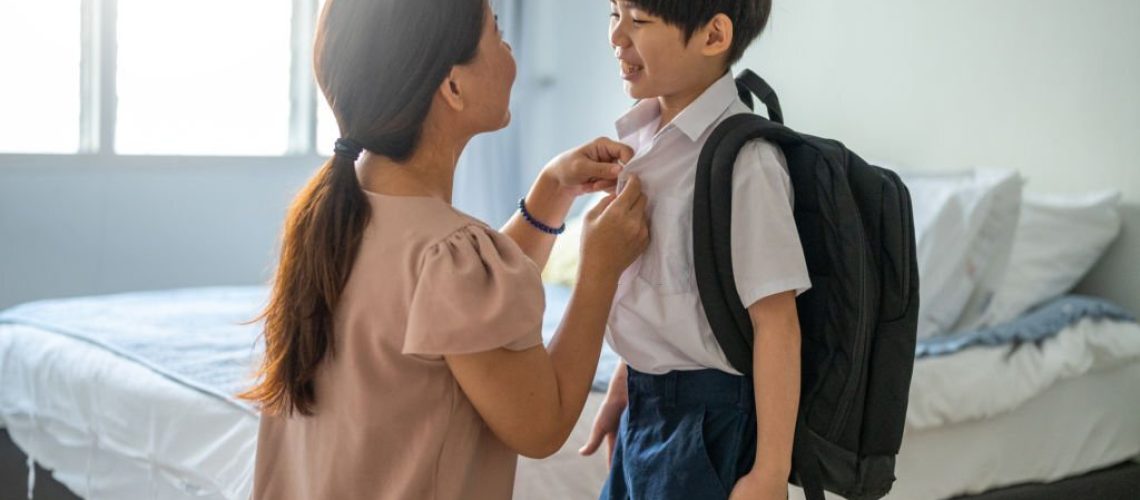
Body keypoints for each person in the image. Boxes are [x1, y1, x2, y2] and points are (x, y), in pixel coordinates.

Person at [241, 1, 650, 498]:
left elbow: (467, 307)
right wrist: (599, 270)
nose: (509, 49)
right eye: (496, 33)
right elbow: (543, 425)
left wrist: (551, 193)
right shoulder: (450, 256)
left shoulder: (337, 218)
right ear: (452, 87)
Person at [579, 1, 811, 499]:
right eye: (612, 13)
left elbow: (776, 324)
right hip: (647, 407)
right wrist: (626, 384)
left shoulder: (746, 163)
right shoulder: (646, 141)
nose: (617, 36)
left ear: (713, 36)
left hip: (707, 423)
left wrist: (771, 471)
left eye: (638, 20)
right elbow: (670, 291)